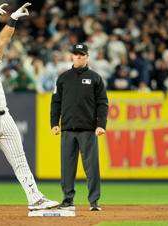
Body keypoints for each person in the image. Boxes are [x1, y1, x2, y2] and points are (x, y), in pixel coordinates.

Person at [0, 3, 59, 216]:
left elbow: (4, 39)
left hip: (4, 117)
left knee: (20, 159)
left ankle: (35, 198)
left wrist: (13, 18)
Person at [50, 43, 108, 211]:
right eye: (76, 54)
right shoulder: (63, 78)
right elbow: (56, 103)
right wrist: (54, 123)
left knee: (91, 168)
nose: (79, 57)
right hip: (67, 130)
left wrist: (101, 125)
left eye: (82, 54)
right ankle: (68, 200)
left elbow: (102, 103)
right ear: (71, 56)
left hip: (88, 130)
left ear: (87, 57)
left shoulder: (95, 78)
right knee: (67, 167)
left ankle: (94, 202)